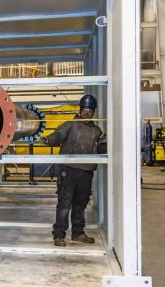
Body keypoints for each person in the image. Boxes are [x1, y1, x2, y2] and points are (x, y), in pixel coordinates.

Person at [39, 94, 103, 247]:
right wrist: (48, 140)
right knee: (64, 204)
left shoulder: (96, 131)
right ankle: (59, 235)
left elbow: (101, 147)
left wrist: (108, 142)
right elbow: (58, 135)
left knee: (81, 204)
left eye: (89, 110)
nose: (86, 112)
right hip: (68, 171)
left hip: (86, 172)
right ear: (80, 110)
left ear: (93, 112)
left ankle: (78, 233)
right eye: (84, 109)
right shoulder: (70, 125)